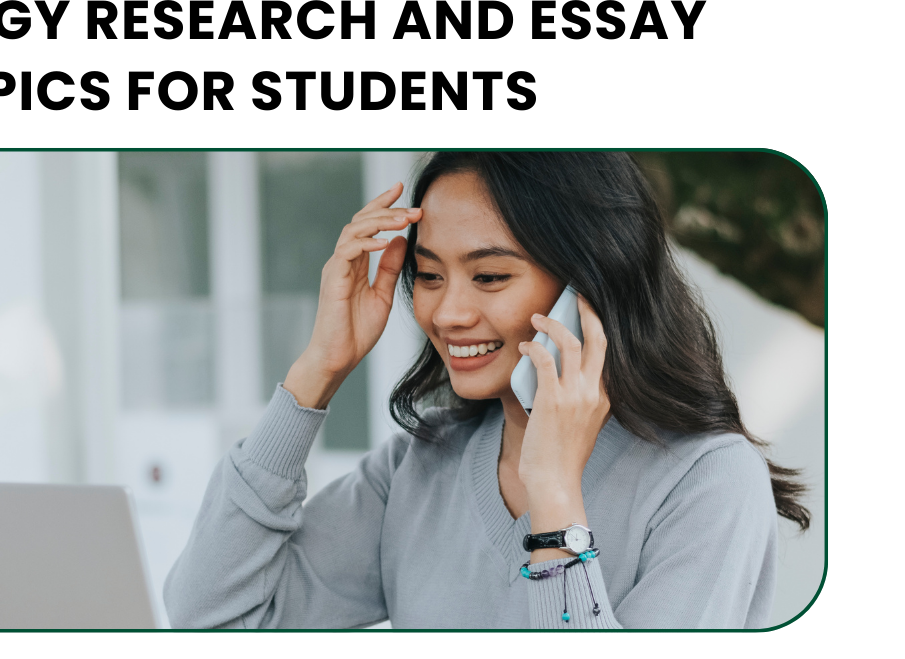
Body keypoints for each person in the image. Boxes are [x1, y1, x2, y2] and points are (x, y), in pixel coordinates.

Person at [163, 152, 809, 629]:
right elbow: (211, 617)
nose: (447, 314)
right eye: (430, 276)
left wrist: (554, 494)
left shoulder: (708, 482)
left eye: (491, 276)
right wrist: (316, 372)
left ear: (591, 281)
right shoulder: (421, 466)